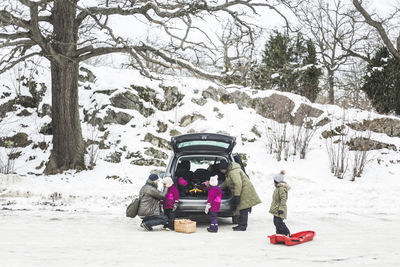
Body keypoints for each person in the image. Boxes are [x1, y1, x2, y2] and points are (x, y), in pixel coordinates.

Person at [219, 160, 261, 231]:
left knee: (244, 209)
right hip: (241, 190)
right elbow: (226, 182)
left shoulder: (233, 173)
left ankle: (242, 226)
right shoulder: (230, 172)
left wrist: (237, 196)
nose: (220, 171)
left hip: (245, 191)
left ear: (225, 168)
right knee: (242, 208)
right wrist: (217, 188)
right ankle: (241, 225)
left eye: (221, 170)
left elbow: (238, 184)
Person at [269, 170, 291, 236]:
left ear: (276, 182)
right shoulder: (277, 188)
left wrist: (281, 209)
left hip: (280, 209)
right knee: (276, 222)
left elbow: (283, 199)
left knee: (278, 222)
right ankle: (279, 234)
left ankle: (286, 233)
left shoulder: (281, 188)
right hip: (276, 208)